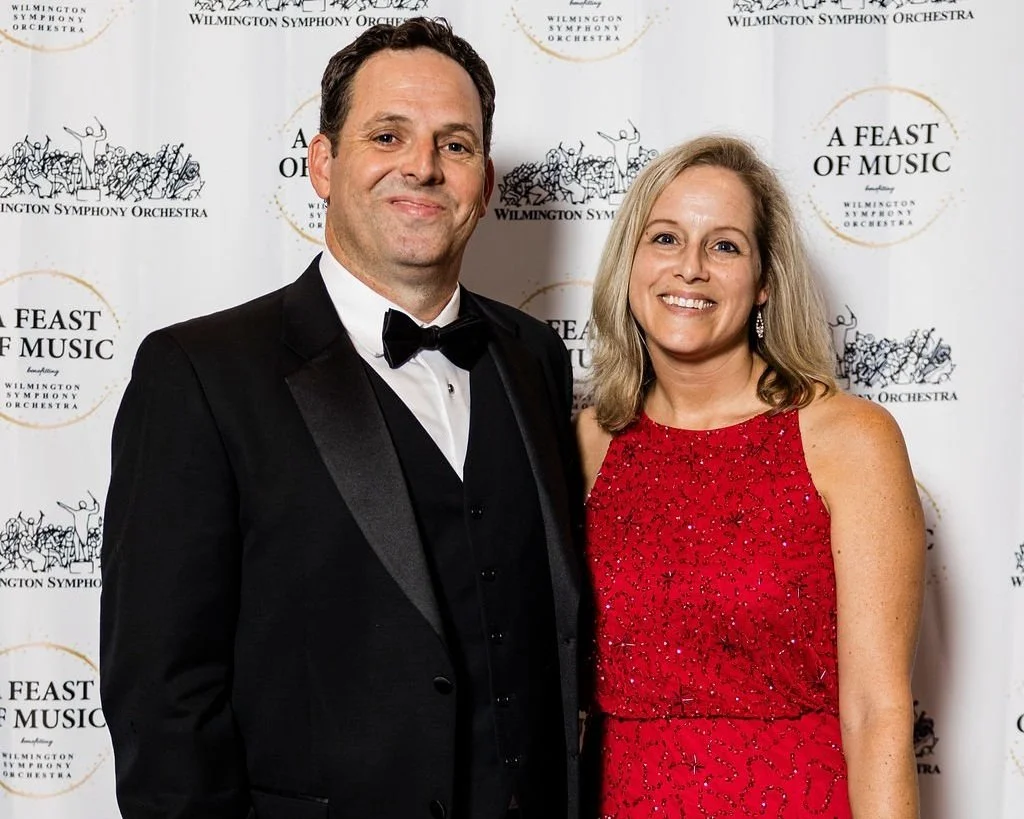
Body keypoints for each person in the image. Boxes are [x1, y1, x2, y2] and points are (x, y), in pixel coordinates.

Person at [100, 18, 582, 819]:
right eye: (388, 135)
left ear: (487, 183)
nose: (422, 167)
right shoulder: (199, 374)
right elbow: (162, 700)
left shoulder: (532, 354)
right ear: (323, 164)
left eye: (454, 145)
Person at [576, 135, 924, 818]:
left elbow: (877, 711)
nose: (691, 269)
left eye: (725, 246)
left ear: (765, 281)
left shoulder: (847, 439)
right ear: (630, 263)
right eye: (666, 238)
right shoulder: (588, 443)